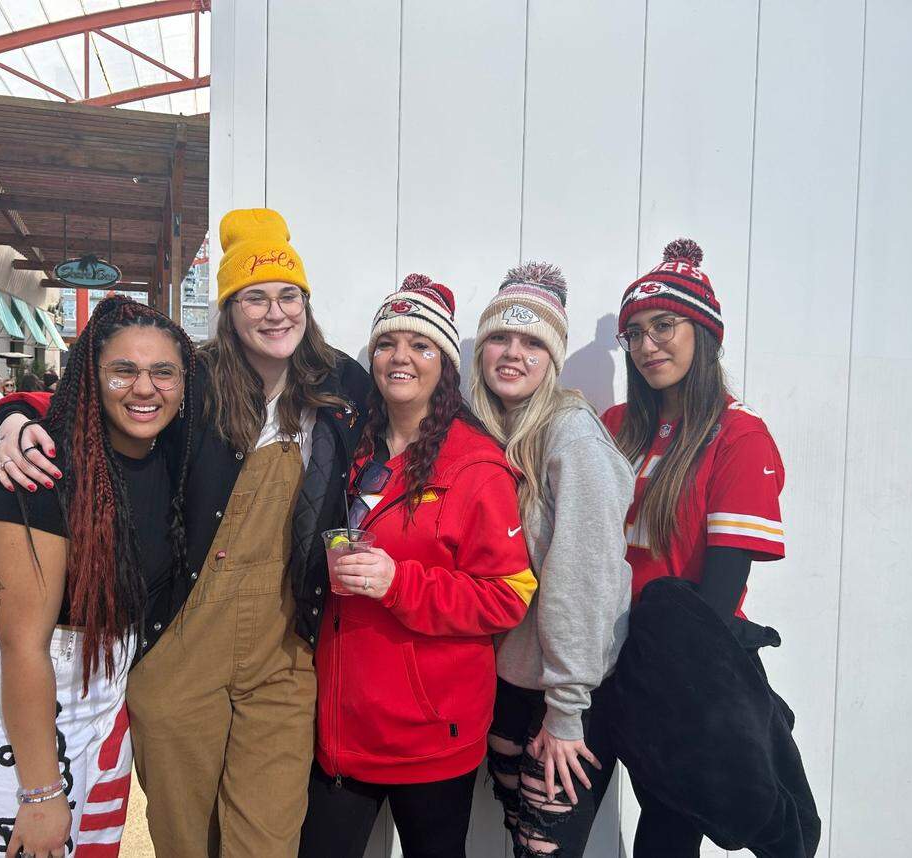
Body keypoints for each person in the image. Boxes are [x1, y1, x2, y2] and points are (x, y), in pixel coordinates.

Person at [0, 208, 370, 858]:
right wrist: (14, 416)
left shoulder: (342, 384)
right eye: (255, 297)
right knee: (187, 840)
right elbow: (105, 403)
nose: (274, 313)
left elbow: (419, 423)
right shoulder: (191, 377)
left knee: (268, 842)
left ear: (304, 302)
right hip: (181, 647)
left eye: (287, 296)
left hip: (283, 656)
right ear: (229, 308)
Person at [0, 296, 198, 858]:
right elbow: (22, 644)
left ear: (184, 381)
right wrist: (38, 791)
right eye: (123, 370)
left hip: (104, 686)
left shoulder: (170, 453)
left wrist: (12, 410)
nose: (144, 388)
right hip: (15, 685)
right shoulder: (46, 465)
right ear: (91, 378)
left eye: (163, 372)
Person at [299, 275, 536, 858]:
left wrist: (397, 583)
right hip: (340, 730)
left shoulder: (476, 466)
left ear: (445, 365)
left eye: (420, 345)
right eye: (386, 344)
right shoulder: (351, 444)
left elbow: (508, 596)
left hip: (430, 738)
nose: (399, 357)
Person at [601, 239, 787, 857]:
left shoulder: (739, 434)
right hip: (599, 661)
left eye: (664, 325)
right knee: (551, 828)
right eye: (634, 333)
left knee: (666, 837)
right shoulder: (615, 425)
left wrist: (674, 691)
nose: (648, 344)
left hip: (680, 672)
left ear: (703, 331)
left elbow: (716, 596)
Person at [470, 263, 633, 857]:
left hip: (567, 697)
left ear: (553, 360)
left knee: (544, 851)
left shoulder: (572, 438)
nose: (513, 354)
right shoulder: (489, 433)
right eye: (500, 338)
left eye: (533, 343)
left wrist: (565, 711)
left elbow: (584, 583)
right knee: (517, 837)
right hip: (511, 685)